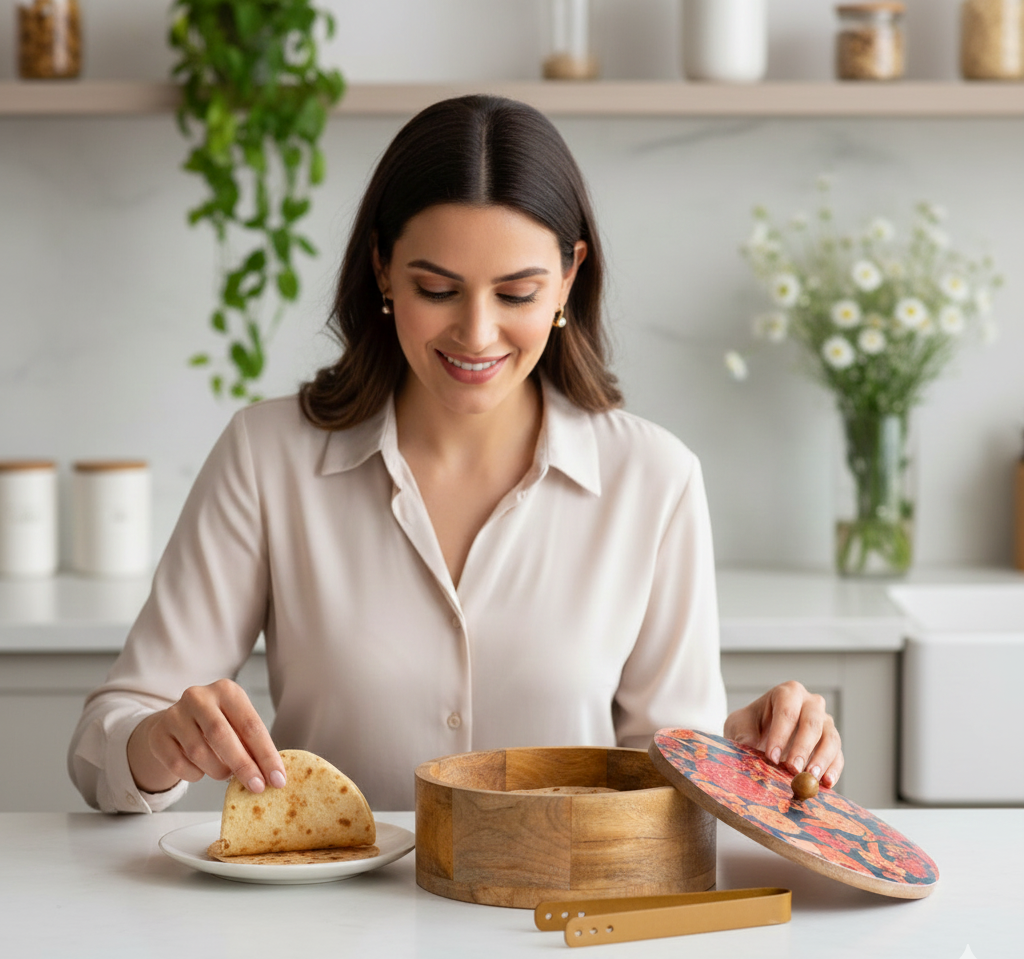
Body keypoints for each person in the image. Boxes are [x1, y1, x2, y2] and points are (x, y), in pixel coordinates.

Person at [68, 94, 843, 814]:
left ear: (569, 278)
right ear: (382, 269)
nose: (475, 334)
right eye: (437, 289)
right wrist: (157, 742)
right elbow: (105, 738)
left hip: (564, 933)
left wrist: (738, 751)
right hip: (326, 941)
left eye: (516, 294)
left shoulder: (655, 480)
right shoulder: (267, 456)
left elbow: (665, 788)